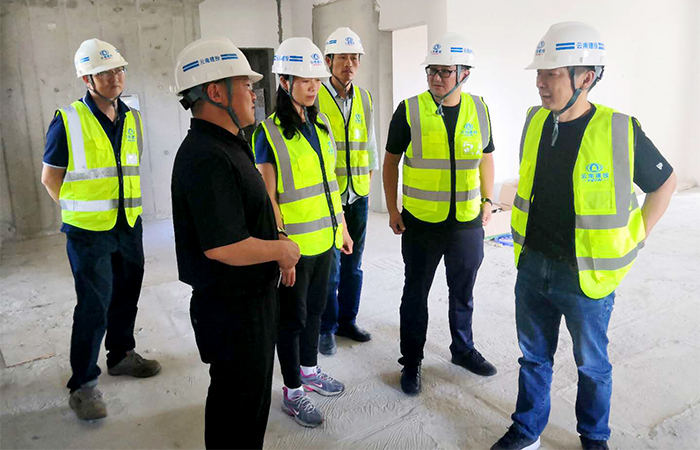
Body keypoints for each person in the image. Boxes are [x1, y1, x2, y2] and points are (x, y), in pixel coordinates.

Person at [491, 22, 676, 450]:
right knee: (533, 358)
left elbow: (664, 184)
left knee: (592, 366)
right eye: (539, 73)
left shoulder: (619, 129)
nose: (540, 83)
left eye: (551, 74)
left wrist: (637, 236)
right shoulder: (535, 121)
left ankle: (593, 437)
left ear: (585, 77)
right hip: (533, 264)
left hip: (586, 276)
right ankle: (527, 430)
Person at [170, 37, 300, 449]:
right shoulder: (206, 156)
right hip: (231, 310)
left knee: (250, 402)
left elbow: (250, 212)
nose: (254, 93)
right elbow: (222, 246)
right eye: (245, 85)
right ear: (215, 92)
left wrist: (277, 238)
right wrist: (283, 250)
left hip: (250, 300)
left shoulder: (229, 142)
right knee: (237, 408)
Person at [40, 38, 160, 421]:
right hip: (88, 233)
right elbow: (50, 179)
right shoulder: (68, 120)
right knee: (93, 305)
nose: (115, 78)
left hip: (128, 224)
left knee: (127, 294)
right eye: (104, 72)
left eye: (119, 70)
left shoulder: (132, 117)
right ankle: (83, 385)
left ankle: (121, 355)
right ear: (87, 79)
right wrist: (79, 212)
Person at [383, 32, 498, 397]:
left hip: (466, 221)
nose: (435, 78)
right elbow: (390, 162)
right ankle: (411, 361)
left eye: (444, 71)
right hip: (421, 222)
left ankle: (462, 350)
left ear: (464, 73)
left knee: (463, 291)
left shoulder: (479, 109)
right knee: (415, 294)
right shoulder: (409, 109)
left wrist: (488, 200)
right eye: (431, 70)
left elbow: (486, 157)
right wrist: (392, 208)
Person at [254, 37, 352, 428]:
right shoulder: (268, 133)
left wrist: (342, 227)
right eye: (305, 80)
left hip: (325, 240)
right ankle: (292, 391)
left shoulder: (321, 124)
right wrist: (281, 247)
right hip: (294, 248)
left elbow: (330, 183)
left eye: (317, 79)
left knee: (315, 312)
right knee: (291, 321)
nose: (313, 87)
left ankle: (309, 371)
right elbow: (268, 199)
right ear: (284, 81)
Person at [316, 27, 377, 356]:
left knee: (354, 265)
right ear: (328, 61)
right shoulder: (316, 96)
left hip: (358, 196)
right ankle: (326, 328)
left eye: (354, 58)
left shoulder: (364, 98)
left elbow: (370, 146)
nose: (349, 64)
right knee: (331, 268)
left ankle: (347, 321)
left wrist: (365, 185)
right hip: (329, 199)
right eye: (342, 57)